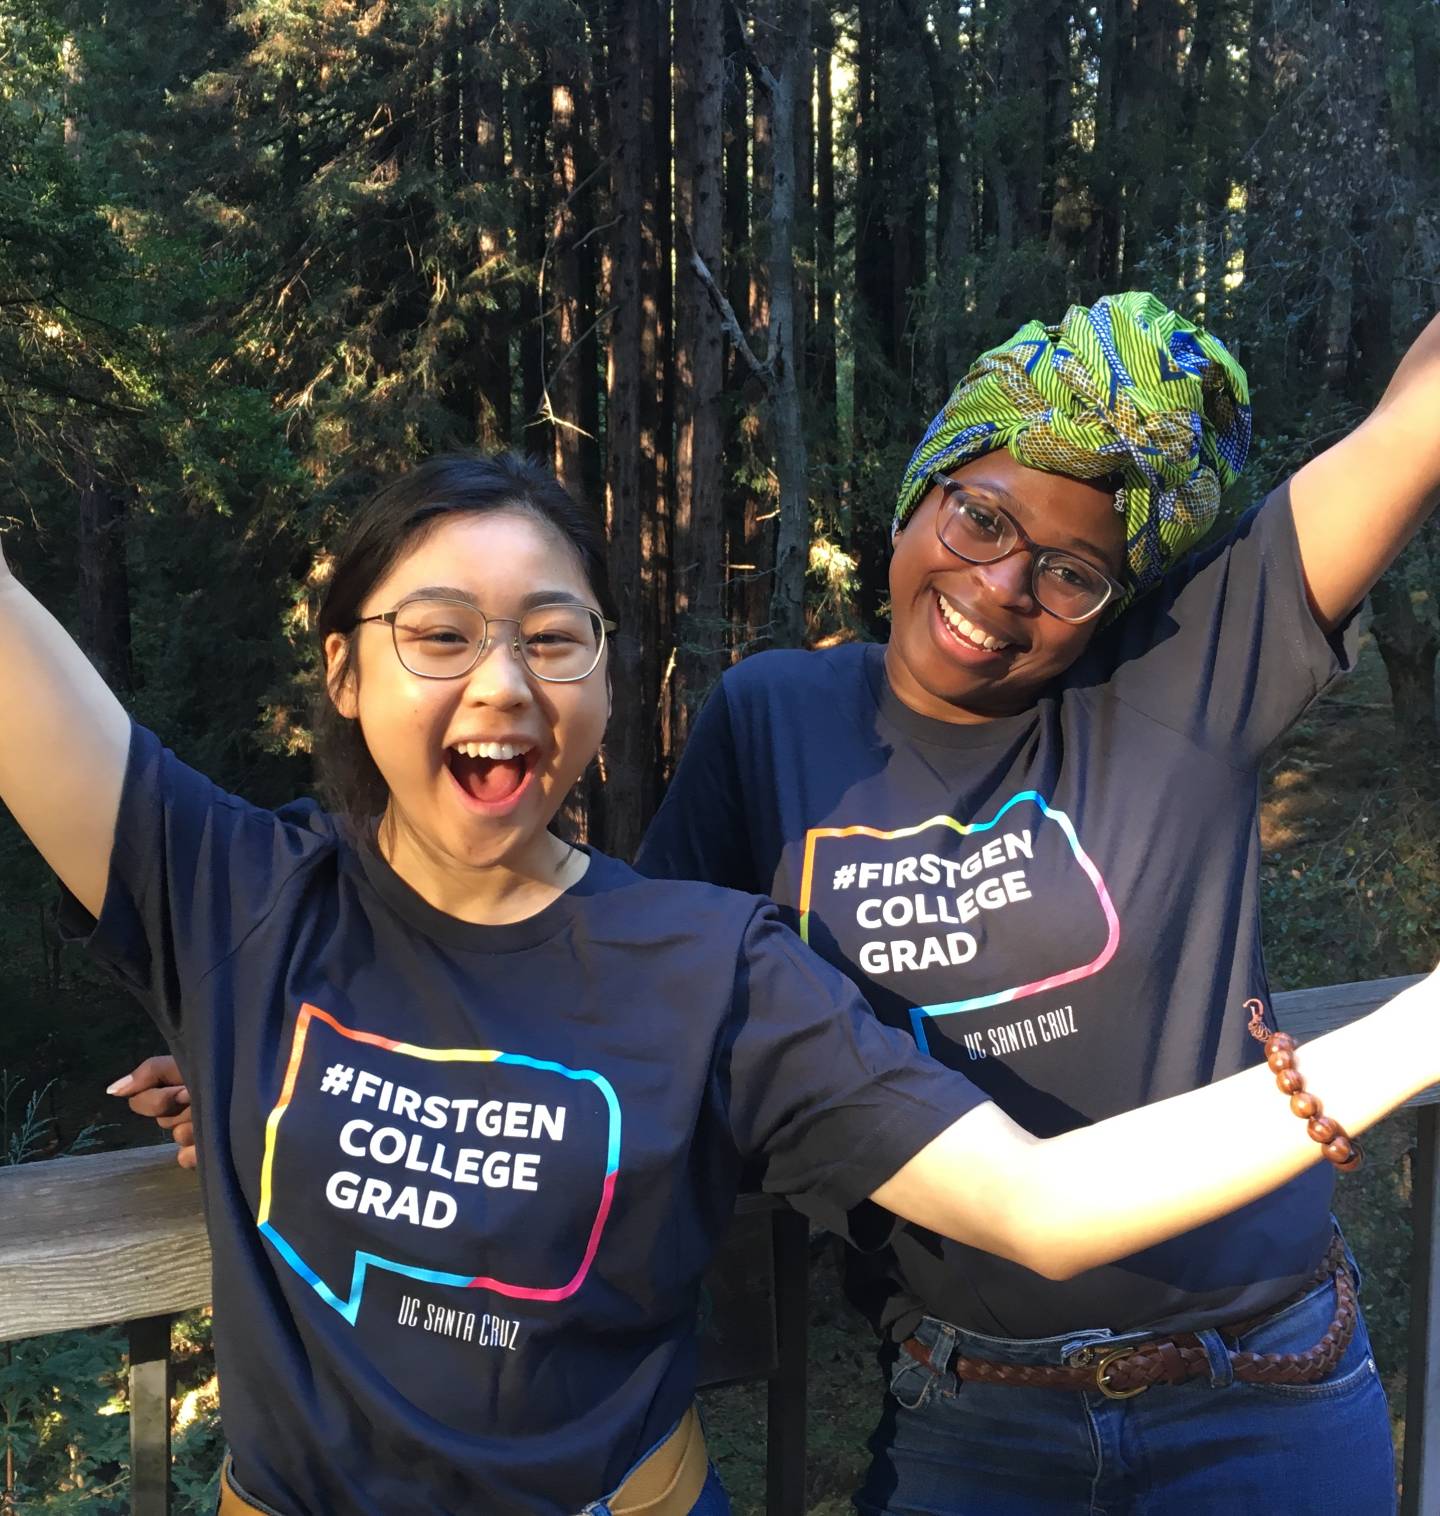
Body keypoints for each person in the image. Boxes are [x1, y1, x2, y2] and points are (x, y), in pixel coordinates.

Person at [77, 448, 1435, 1516]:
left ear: (605, 679)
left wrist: (1417, 1030)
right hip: (969, 1408)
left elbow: (1039, 1200)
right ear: (344, 668)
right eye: (438, 633)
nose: (501, 681)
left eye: (555, 637)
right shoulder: (246, 896)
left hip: (1253, 1383)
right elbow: (563, 992)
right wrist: (270, 1072)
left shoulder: (719, 961)